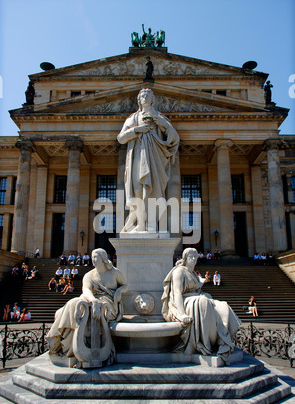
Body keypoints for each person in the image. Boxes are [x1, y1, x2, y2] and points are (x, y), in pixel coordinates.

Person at [46, 248, 128, 363]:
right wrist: (93, 301)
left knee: (78, 306)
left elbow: (125, 285)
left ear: (103, 258)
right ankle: (62, 344)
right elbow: (86, 290)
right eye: (92, 257)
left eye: (95, 257)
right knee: (73, 304)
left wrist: (119, 291)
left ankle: (64, 344)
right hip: (91, 299)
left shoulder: (115, 272)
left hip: (108, 303)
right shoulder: (89, 275)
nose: (93, 260)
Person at [161, 248, 241, 363]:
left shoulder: (193, 273)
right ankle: (205, 343)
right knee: (203, 302)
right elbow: (177, 293)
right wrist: (182, 314)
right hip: (185, 302)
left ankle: (222, 341)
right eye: (190, 257)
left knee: (222, 306)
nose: (193, 259)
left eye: (195, 257)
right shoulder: (179, 271)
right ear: (185, 258)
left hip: (197, 298)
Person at [117, 88, 179, 232]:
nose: (145, 97)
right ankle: (141, 224)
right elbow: (120, 138)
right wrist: (137, 130)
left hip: (155, 157)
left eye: (148, 95)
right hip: (138, 156)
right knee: (138, 190)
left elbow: (174, 137)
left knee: (153, 191)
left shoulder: (159, 117)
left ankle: (151, 224)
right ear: (139, 100)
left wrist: (161, 124)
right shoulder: (132, 118)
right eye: (142, 96)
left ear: (152, 100)